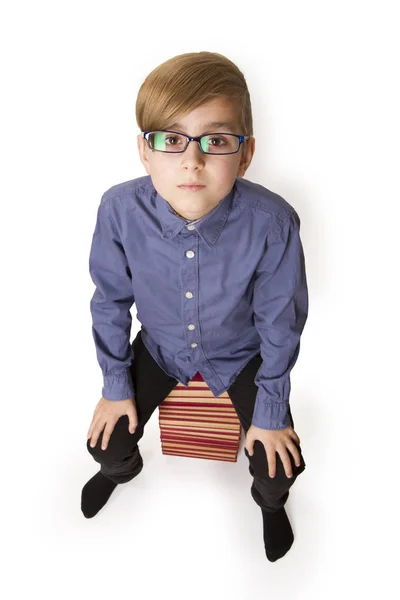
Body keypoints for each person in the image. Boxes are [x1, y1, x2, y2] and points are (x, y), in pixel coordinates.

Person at [82, 51, 309, 562]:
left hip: (242, 353)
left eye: (217, 140)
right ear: (145, 151)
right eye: (171, 139)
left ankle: (270, 505)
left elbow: (280, 324)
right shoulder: (118, 210)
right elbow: (111, 301)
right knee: (105, 443)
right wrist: (116, 387)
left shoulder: (272, 223)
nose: (192, 160)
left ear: (245, 154)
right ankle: (120, 473)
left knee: (279, 467)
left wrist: (269, 414)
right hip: (161, 349)